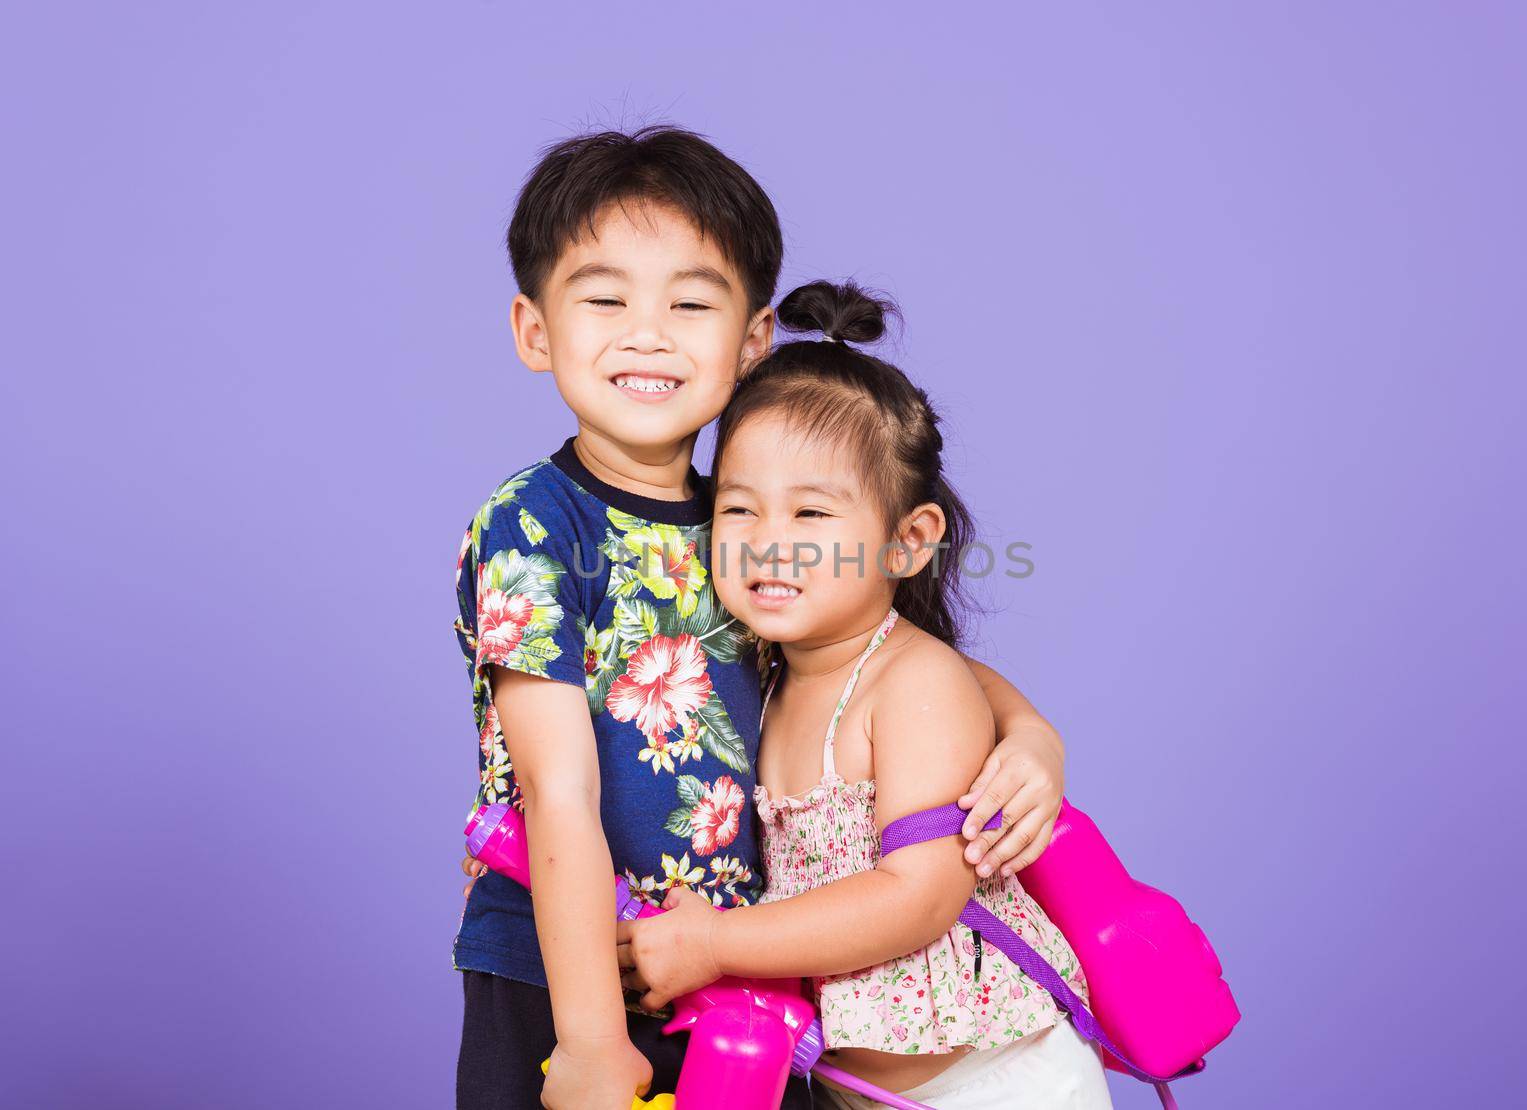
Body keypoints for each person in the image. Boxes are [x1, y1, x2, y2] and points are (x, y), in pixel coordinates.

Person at [453, 127, 1070, 1109]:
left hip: (740, 971)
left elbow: (873, 648)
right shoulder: (535, 524)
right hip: (567, 969)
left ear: (752, 341)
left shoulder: (746, 520)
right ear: (535, 330)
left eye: (689, 303)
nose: (646, 333)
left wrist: (1028, 731)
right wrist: (588, 1041)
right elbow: (557, 793)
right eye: (605, 298)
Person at [616, 282, 1114, 1109]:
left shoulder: (914, 685)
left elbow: (915, 896)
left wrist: (714, 944)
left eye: (812, 513)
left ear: (908, 542)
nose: (770, 542)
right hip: (858, 1093)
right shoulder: (762, 671)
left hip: (999, 1083)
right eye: (739, 508)